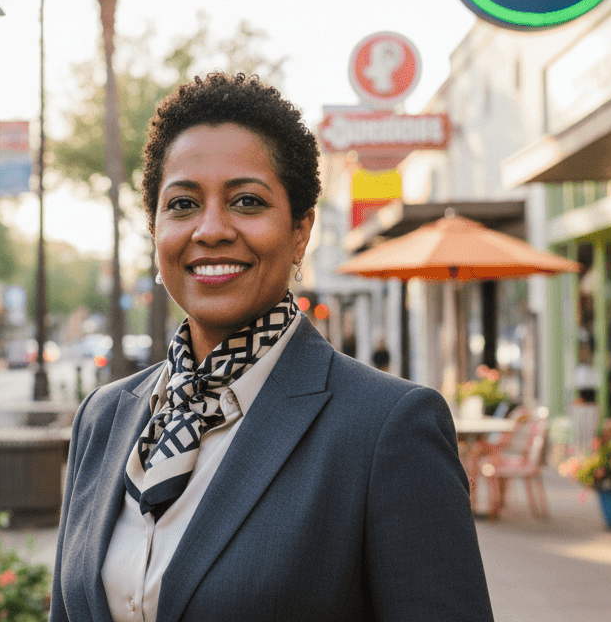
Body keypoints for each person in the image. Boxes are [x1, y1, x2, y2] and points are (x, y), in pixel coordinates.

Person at [50, 72, 493, 622]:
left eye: (247, 201)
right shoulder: (103, 418)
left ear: (300, 231)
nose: (210, 229)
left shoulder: (386, 428)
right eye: (183, 203)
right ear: (155, 228)